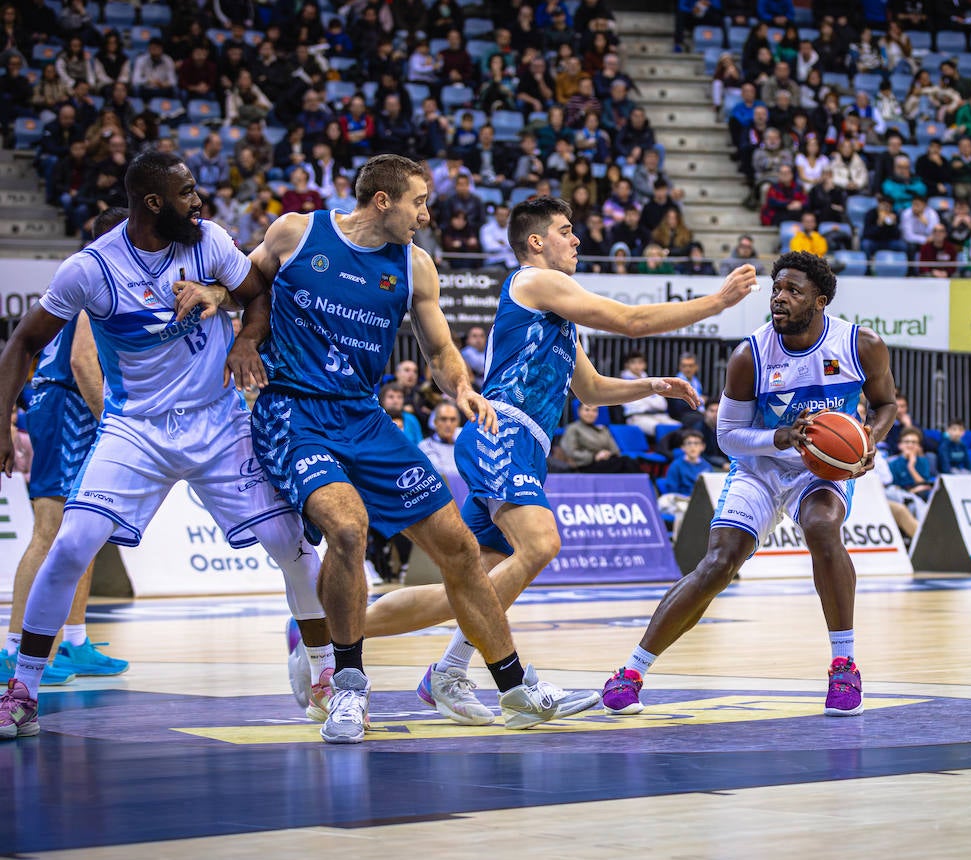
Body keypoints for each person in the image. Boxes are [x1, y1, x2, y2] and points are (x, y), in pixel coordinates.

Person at [225, 156, 600, 742]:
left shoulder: (416, 265)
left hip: (365, 416)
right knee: (349, 531)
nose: (426, 215)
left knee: (458, 547)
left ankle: (514, 688)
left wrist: (461, 387)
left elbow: (440, 348)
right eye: (419, 202)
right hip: (294, 410)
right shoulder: (296, 233)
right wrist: (239, 328)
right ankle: (348, 687)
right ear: (382, 201)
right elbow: (245, 288)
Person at [358, 197, 756, 725]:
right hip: (501, 432)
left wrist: (651, 385)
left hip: (525, 447)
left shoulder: (557, 315)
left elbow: (589, 386)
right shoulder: (531, 281)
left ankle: (341, 633)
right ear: (537, 242)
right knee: (542, 543)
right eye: (567, 231)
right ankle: (476, 676)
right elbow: (631, 320)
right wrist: (716, 302)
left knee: (471, 584)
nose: (577, 240)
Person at [0, 154, 328, 742]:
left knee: (289, 541)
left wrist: (245, 341)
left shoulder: (209, 242)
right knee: (72, 543)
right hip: (137, 426)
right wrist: (1, 423)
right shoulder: (91, 268)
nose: (199, 200)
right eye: (187, 192)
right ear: (153, 203)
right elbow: (23, 343)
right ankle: (22, 690)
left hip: (217, 420)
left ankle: (325, 673)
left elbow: (259, 293)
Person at [600, 251, 897, 717]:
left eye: (792, 291)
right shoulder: (750, 354)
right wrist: (780, 436)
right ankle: (632, 671)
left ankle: (844, 665)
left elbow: (885, 406)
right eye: (776, 288)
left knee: (822, 527)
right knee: (718, 563)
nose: (779, 298)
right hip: (760, 465)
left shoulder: (861, 344)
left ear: (820, 301)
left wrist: (868, 443)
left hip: (819, 470)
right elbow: (727, 436)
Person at [1, 208, 128, 686]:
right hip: (65, 405)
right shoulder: (99, 271)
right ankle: (14, 650)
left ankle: (73, 640)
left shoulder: (101, 271)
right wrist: (112, 422)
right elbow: (80, 360)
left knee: (87, 527)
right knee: (50, 530)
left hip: (72, 406)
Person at [560, 401, 642, 474]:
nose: (591, 413)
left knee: (630, 462)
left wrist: (606, 454)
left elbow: (615, 450)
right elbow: (571, 452)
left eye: (594, 411)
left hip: (606, 462)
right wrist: (594, 456)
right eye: (587, 410)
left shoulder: (603, 429)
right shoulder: (573, 429)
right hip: (586, 465)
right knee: (626, 463)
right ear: (579, 411)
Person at [419, 401, 462, 480]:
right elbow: (439, 471)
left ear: (458, 423)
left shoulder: (463, 445)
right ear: (435, 422)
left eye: (453, 420)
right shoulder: (425, 445)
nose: (448, 424)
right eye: (443, 419)